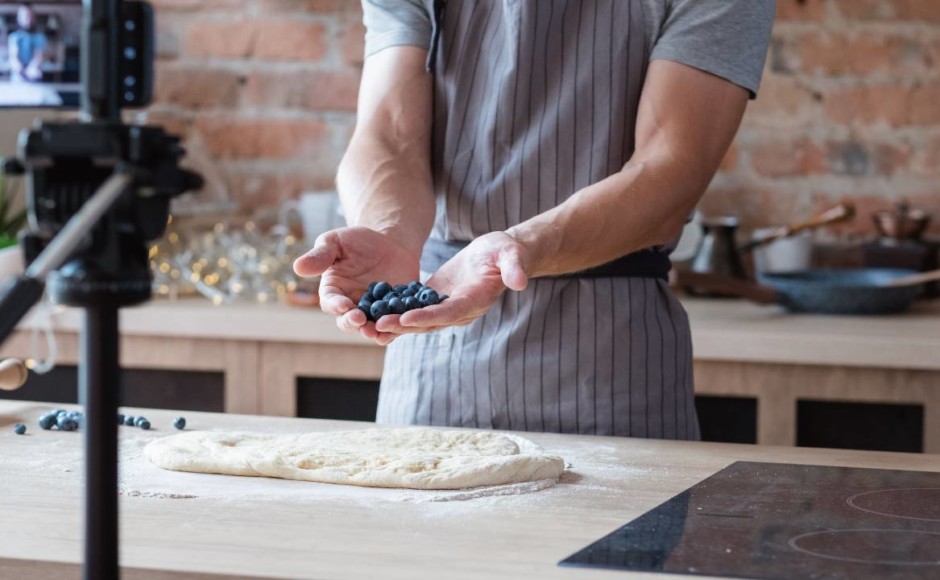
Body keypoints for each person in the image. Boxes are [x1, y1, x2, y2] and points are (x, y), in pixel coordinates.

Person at [295, 0, 775, 439]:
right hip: (432, 354)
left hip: (615, 369)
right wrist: (388, 232)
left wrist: (521, 247)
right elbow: (389, 133)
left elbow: (670, 169)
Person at [8, 4, 47, 82]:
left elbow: (38, 57)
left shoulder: (40, 37)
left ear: (34, 17)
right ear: (18, 18)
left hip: (34, 74)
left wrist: (31, 68)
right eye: (24, 16)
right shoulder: (13, 37)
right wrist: (21, 70)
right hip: (18, 76)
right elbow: (13, 57)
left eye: (30, 15)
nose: (27, 18)